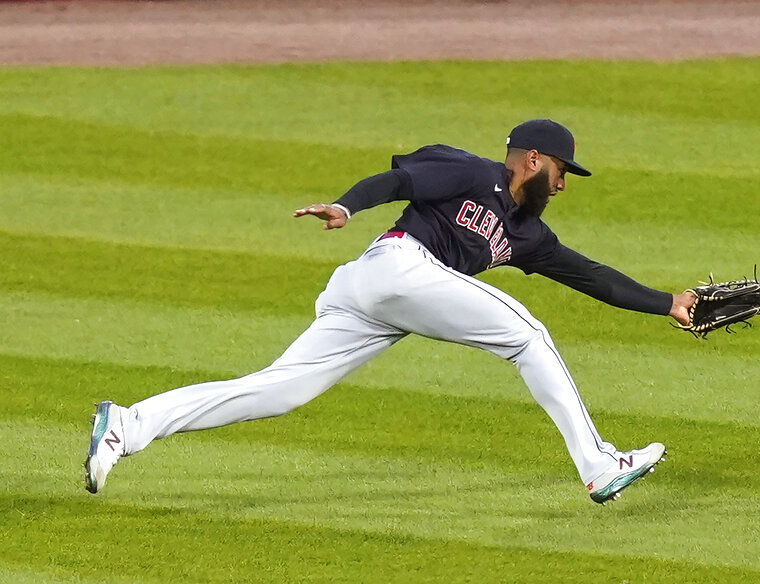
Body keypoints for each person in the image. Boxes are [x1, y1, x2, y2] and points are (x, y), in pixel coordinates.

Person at [84, 119, 695, 504]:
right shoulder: (471, 171)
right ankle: (597, 465)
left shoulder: (530, 236)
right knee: (527, 334)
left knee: (276, 393)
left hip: (390, 304)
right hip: (391, 267)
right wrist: (347, 208)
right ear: (533, 159)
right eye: (562, 171)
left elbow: (593, 278)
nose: (563, 185)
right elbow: (398, 183)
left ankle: (127, 424)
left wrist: (669, 303)